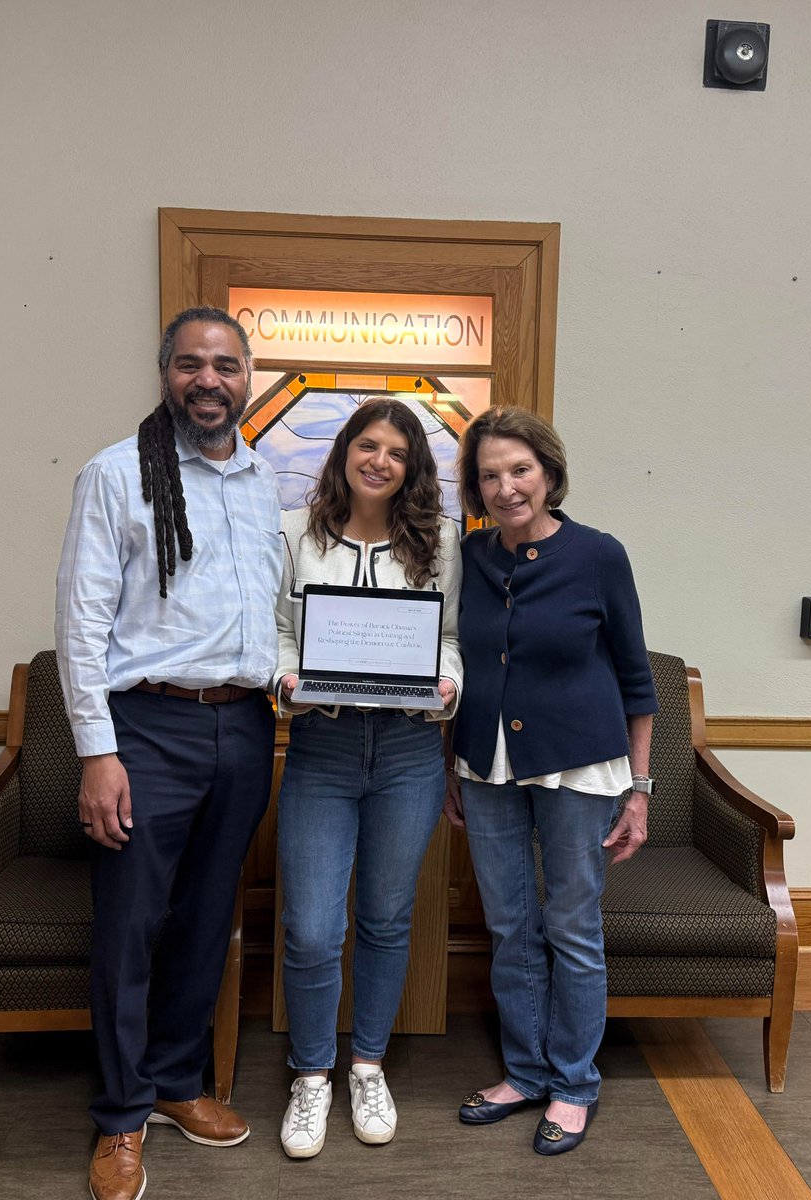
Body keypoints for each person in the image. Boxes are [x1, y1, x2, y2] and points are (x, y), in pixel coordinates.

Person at [55, 307, 283, 1200]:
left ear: (248, 376)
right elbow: (79, 622)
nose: (209, 380)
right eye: (190, 364)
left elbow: (278, 614)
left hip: (247, 725)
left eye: (225, 364)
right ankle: (119, 1117)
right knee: (130, 924)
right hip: (146, 728)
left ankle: (179, 1084)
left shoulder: (267, 483)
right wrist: (96, 753)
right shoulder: (116, 476)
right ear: (166, 374)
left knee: (203, 916)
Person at [443, 406, 657, 1157]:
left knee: (572, 927)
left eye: (520, 470)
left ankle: (573, 1084)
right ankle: (526, 1072)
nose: (506, 488)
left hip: (581, 770)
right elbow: (455, 657)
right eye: (490, 475)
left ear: (550, 472)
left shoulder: (599, 555)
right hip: (484, 766)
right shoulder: (470, 556)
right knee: (508, 927)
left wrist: (640, 789)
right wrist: (452, 766)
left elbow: (637, 677)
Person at [271, 399, 462, 1158]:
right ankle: (311, 1077)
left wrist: (449, 685)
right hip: (321, 746)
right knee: (313, 927)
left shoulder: (442, 542)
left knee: (386, 919)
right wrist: (287, 686)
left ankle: (367, 1066)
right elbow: (279, 636)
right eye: (367, 444)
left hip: (410, 751)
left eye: (396, 451)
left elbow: (450, 641)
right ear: (345, 451)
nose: (379, 460)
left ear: (413, 467)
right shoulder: (293, 534)